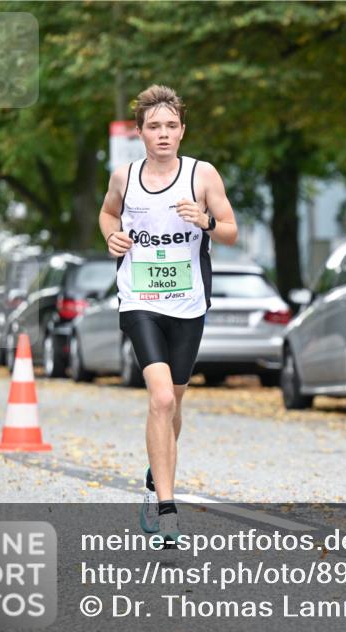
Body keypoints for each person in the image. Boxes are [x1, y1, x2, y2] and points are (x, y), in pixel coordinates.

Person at [98, 85, 237, 542]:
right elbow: (108, 214)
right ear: (139, 132)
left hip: (188, 302)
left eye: (171, 126)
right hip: (139, 299)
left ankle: (158, 471)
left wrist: (206, 222)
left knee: (173, 401)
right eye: (153, 126)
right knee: (159, 398)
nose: (163, 134)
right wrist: (112, 237)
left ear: (182, 131)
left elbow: (232, 230)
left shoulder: (202, 175)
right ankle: (166, 507)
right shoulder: (125, 176)